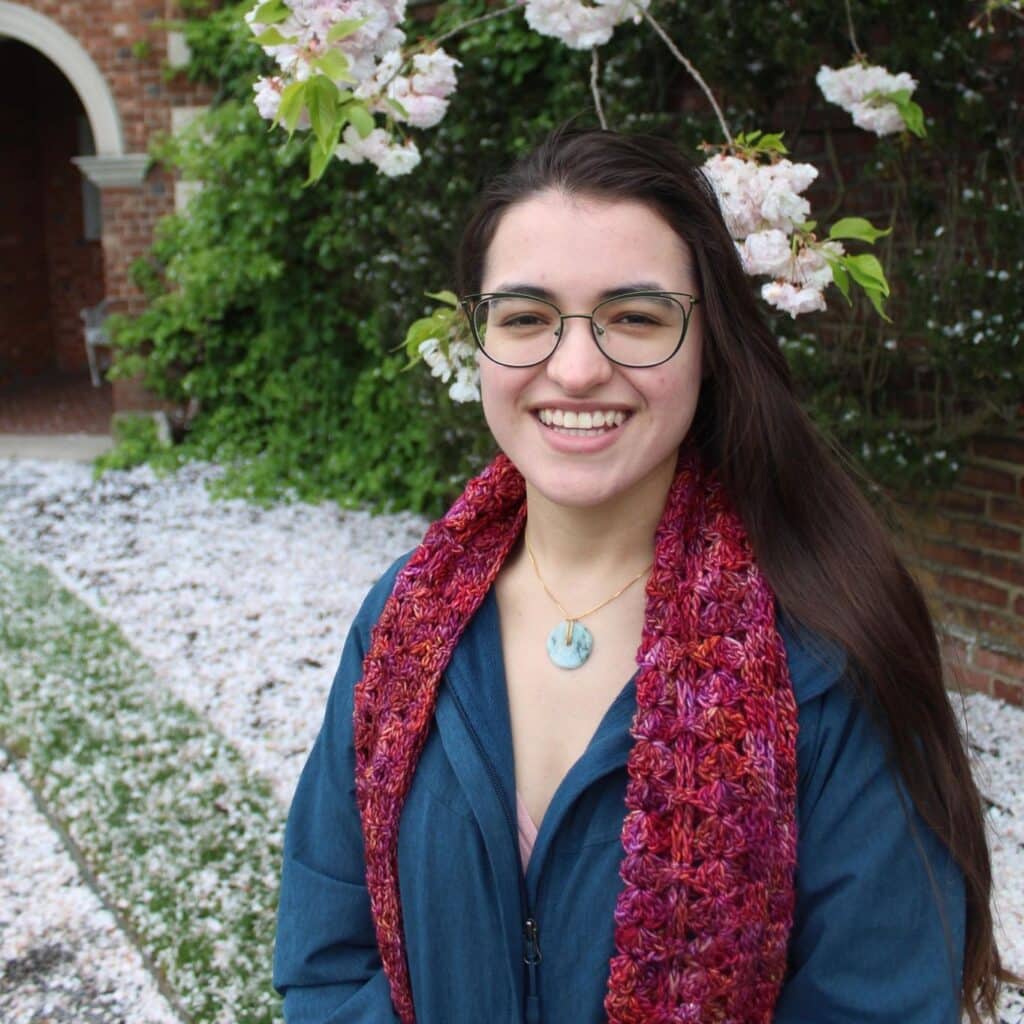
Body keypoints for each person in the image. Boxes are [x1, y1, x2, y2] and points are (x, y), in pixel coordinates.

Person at [273, 128, 1012, 1023]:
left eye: (636, 316)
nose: (577, 369)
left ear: (709, 344)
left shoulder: (825, 657)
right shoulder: (400, 625)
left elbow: (875, 1003)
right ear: (479, 344)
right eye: (524, 317)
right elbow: (327, 956)